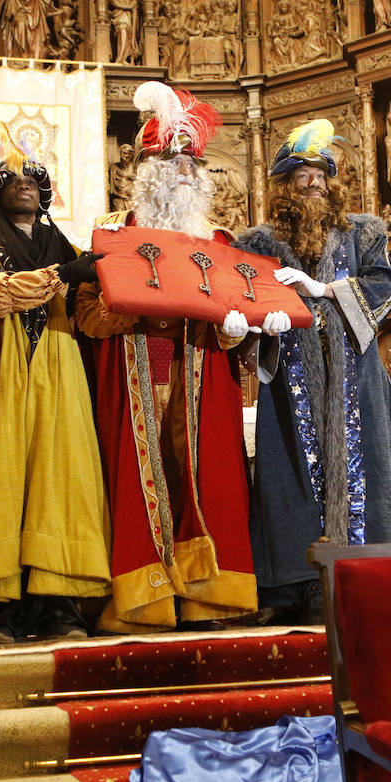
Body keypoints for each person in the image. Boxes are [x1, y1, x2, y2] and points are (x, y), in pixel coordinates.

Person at [234, 119, 391, 624]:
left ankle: (372, 573)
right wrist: (260, 323)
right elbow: (246, 294)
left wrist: (322, 290)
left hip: (356, 377)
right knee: (292, 473)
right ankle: (297, 585)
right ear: (283, 186)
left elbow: (385, 284)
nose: (313, 183)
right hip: (290, 376)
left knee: (367, 467)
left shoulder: (363, 231)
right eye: (301, 175)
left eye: (320, 173)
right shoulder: (257, 242)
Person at [75, 82, 255, 632]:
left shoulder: (220, 239)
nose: (178, 173)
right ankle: (142, 600)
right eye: (166, 162)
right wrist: (128, 308)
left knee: (205, 480)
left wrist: (235, 327)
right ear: (145, 170)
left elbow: (236, 320)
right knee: (137, 481)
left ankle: (207, 597)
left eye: (187, 164)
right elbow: (86, 313)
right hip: (133, 373)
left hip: (200, 378)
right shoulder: (112, 233)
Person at [0, 138, 111, 643]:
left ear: (45, 191)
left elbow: (92, 313)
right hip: (4, 367)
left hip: (60, 366)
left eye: (32, 177)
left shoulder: (70, 246)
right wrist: (62, 275)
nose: (24, 183)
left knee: (61, 478)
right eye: (13, 178)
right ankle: (0, 611)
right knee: (2, 477)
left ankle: (59, 606)